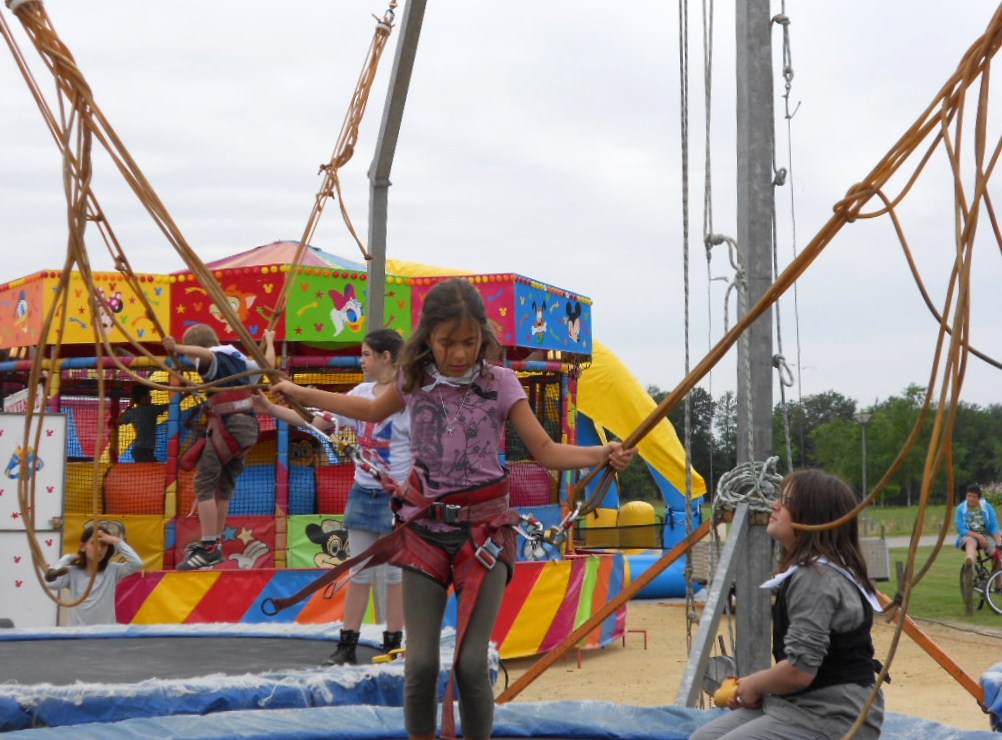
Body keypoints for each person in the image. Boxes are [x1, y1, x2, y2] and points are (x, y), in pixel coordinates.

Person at [269, 277, 635, 740]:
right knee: (419, 664)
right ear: (428, 339)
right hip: (425, 534)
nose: (460, 353)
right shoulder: (413, 379)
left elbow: (544, 450)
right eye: (447, 343)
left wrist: (600, 454)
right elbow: (367, 412)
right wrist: (303, 394)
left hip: (483, 537)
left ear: (483, 336)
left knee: (468, 662)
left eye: (469, 341)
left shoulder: (501, 383)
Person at [253, 328, 410, 664]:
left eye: (367, 354)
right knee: (359, 570)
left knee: (397, 573)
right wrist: (270, 408)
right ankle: (348, 643)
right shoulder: (362, 392)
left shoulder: (407, 398)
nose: (361, 360)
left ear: (386, 357)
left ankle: (394, 641)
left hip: (397, 497)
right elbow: (316, 422)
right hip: (364, 491)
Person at [692, 469, 885, 740]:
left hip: (832, 714)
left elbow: (798, 672)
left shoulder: (816, 579)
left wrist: (753, 684)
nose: (774, 504)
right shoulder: (816, 570)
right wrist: (760, 690)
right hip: (800, 704)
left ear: (813, 518)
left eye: (788, 501)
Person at [163, 325, 267, 571]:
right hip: (248, 428)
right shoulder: (238, 360)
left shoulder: (214, 358)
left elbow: (208, 356)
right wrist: (270, 341)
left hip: (229, 426)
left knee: (204, 483)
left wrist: (177, 348)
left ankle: (209, 545)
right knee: (223, 486)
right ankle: (215, 543)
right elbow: (266, 364)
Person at [45, 520, 144, 626]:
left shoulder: (113, 570)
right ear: (83, 546)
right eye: (94, 543)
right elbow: (52, 584)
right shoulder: (73, 571)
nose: (99, 549)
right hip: (79, 635)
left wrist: (115, 540)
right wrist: (67, 558)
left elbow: (137, 563)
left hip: (106, 635)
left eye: (104, 545)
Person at [956, 483, 1001, 570]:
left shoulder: (987, 507)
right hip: (968, 536)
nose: (971, 499)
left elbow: (994, 526)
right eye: (969, 496)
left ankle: (997, 581)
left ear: (979, 498)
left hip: (986, 535)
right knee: (970, 542)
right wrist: (979, 537)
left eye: (974, 496)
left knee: (996, 554)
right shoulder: (961, 509)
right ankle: (970, 564)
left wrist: (998, 543)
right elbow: (961, 529)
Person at [119, 383, 168, 462]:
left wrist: (130, 406)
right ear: (142, 398)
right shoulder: (151, 409)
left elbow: (118, 421)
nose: (150, 397)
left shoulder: (132, 412)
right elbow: (170, 405)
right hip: (144, 451)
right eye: (148, 395)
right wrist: (184, 395)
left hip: (139, 450)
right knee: (153, 470)